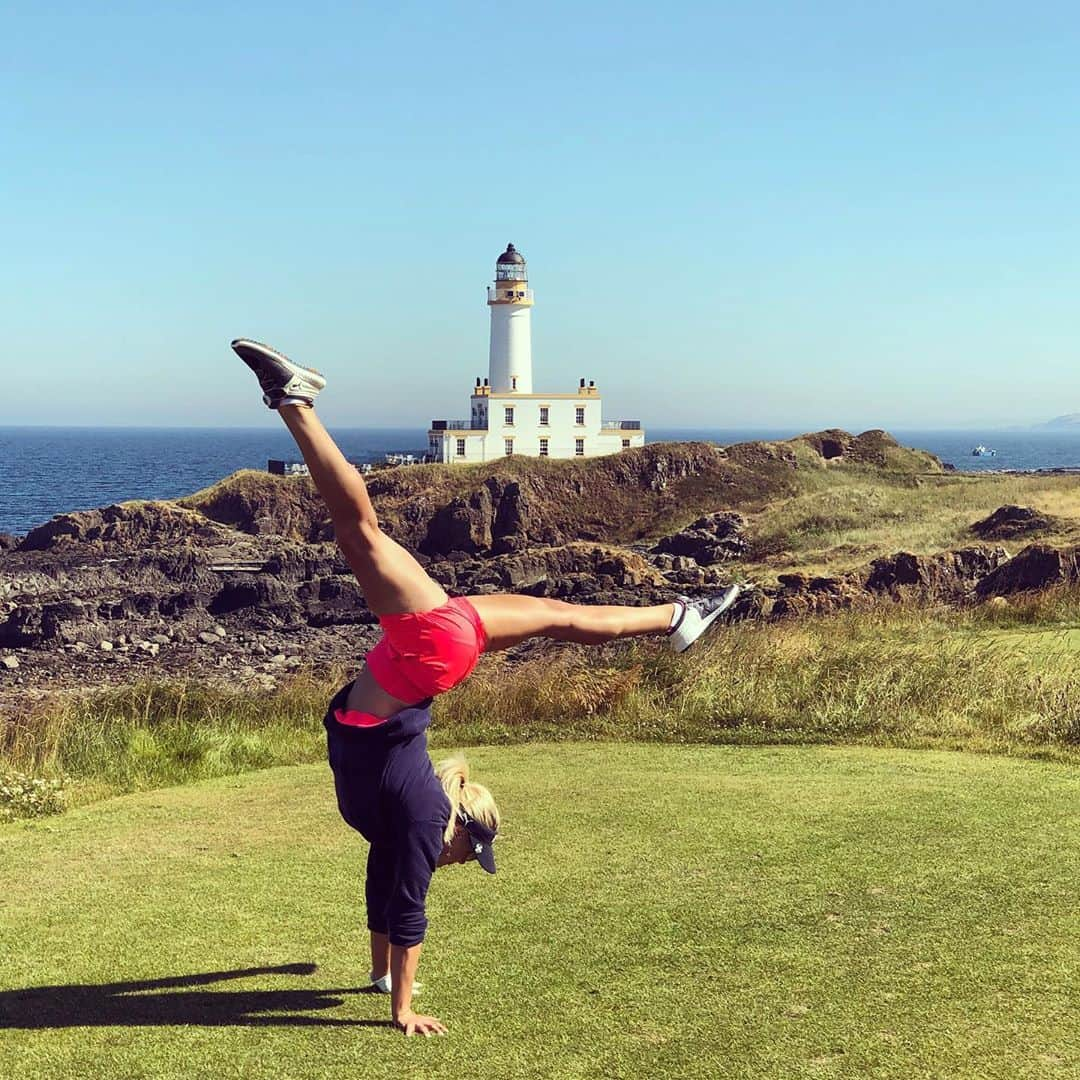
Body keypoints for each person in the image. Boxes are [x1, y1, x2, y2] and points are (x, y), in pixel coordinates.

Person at [231, 338, 741, 1036]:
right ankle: (293, 401)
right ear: (457, 828)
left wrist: (387, 981)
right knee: (362, 532)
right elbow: (407, 909)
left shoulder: (407, 819)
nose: (462, 861)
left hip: (433, 653)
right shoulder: (413, 818)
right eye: (470, 852)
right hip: (432, 650)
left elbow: (390, 899)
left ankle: (677, 617)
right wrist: (401, 1006)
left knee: (559, 617)